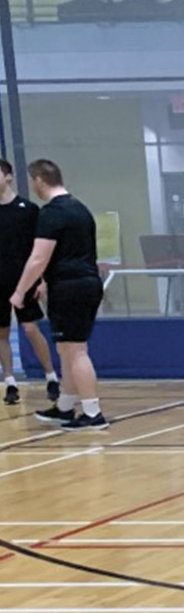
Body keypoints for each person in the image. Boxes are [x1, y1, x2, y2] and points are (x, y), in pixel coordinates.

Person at [9, 159, 107, 429]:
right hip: (84, 283)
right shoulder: (80, 209)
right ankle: (65, 406)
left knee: (75, 351)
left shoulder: (52, 213)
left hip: (70, 288)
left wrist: (19, 292)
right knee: (67, 349)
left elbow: (38, 258)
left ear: (39, 180)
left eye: (33, 181)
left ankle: (92, 412)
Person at [0, 159, 57, 406]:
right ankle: (10, 382)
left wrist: (43, 280)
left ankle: (51, 376)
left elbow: (40, 250)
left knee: (31, 328)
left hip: (25, 280)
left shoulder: (29, 209)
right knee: (1, 333)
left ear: (8, 176)